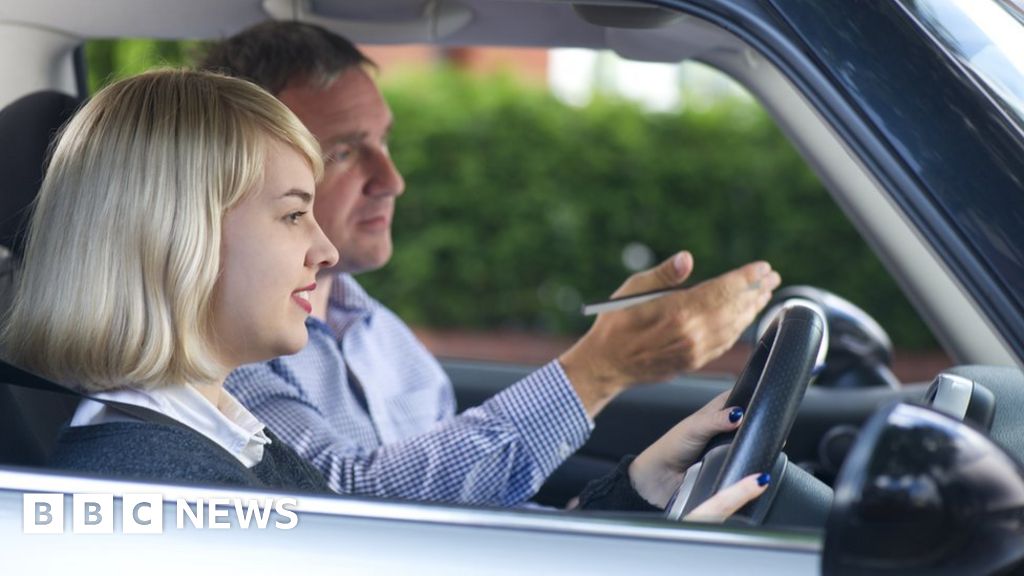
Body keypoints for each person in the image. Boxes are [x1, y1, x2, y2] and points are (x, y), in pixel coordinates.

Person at [1, 68, 767, 519]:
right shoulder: (166, 493)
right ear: (175, 235)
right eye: (295, 213)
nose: (326, 250)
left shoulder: (216, 440)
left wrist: (638, 495)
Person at [202, 21, 782, 506]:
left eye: (386, 141)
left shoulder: (380, 331)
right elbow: (348, 506)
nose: (393, 180)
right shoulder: (225, 345)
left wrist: (635, 490)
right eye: (346, 152)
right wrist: (598, 368)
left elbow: (472, 513)